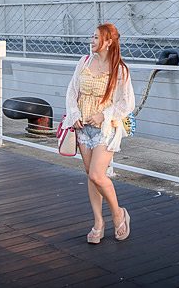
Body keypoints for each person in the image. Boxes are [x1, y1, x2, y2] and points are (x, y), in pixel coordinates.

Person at [61, 23, 135, 244]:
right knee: (91, 176)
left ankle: (118, 213)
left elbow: (126, 103)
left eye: (95, 38)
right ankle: (98, 223)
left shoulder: (120, 69)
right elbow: (72, 91)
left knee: (97, 175)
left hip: (105, 130)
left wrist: (104, 115)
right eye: (91, 37)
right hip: (83, 128)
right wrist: (74, 115)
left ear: (108, 42)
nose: (91, 41)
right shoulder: (84, 62)